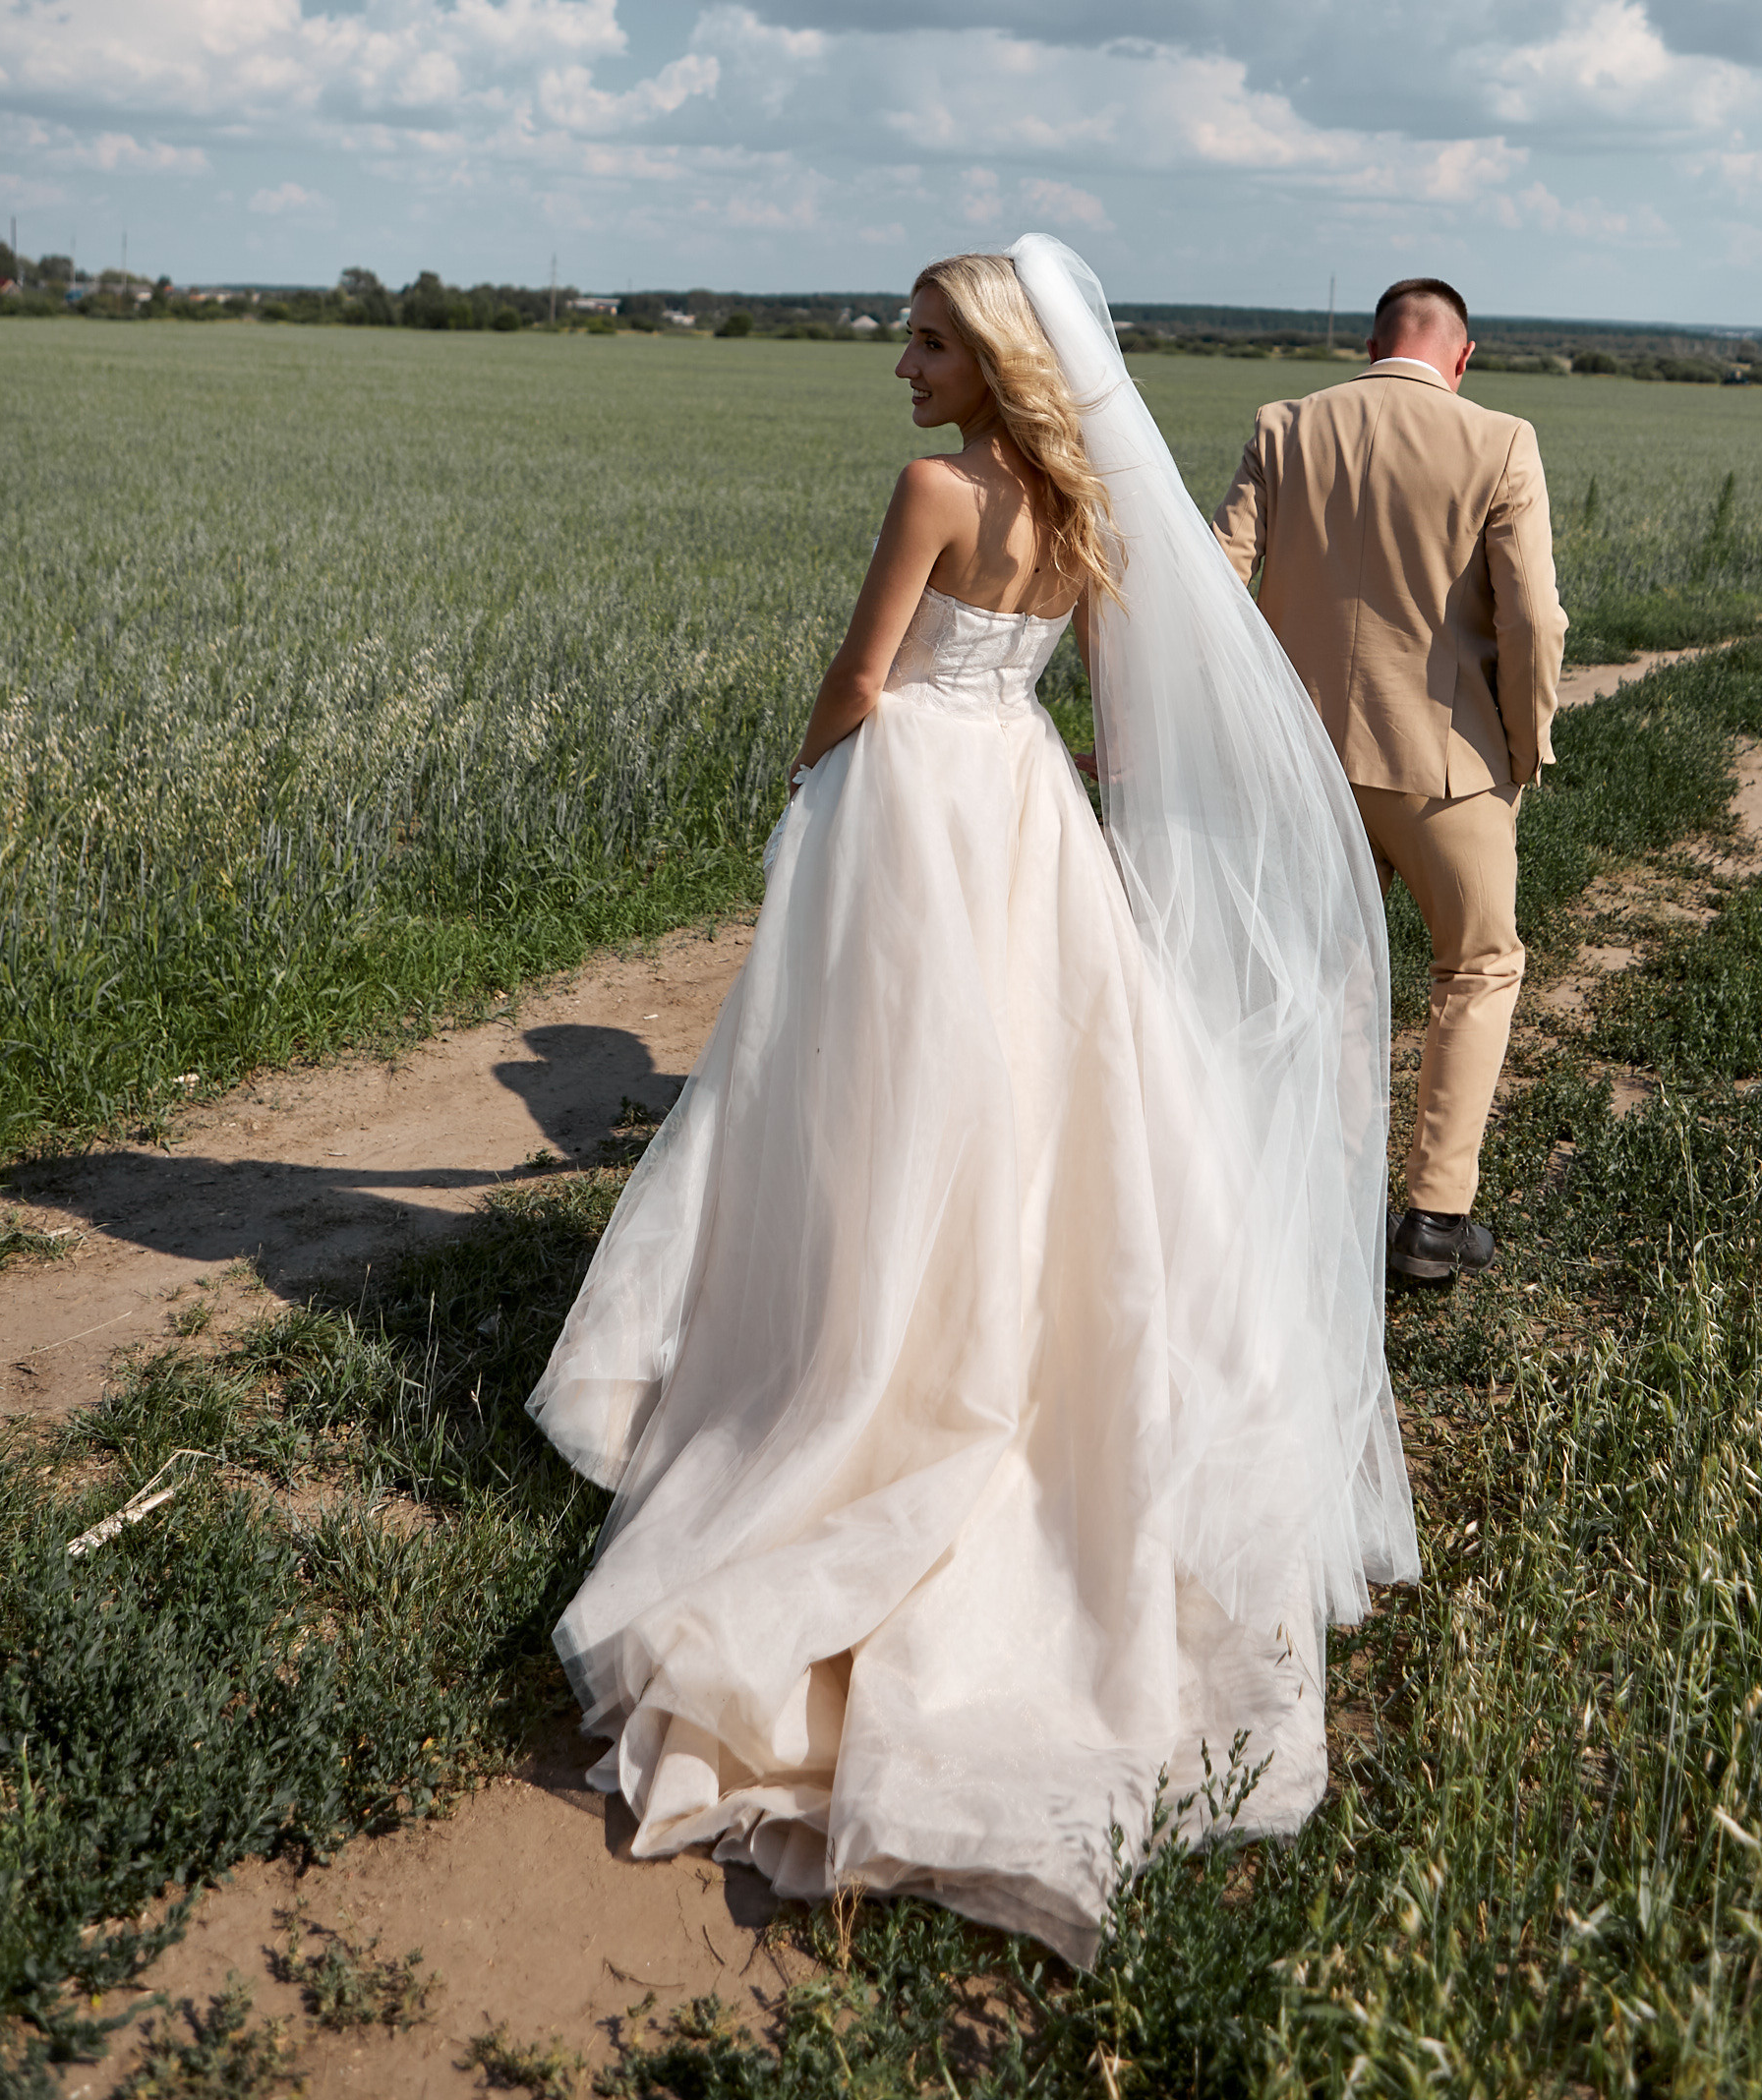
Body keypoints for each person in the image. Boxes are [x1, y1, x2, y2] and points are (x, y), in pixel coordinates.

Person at [528, 238, 1415, 1967]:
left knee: (874, 1091)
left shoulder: (933, 487)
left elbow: (863, 679)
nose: (901, 364)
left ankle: (869, 1361)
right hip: (1022, 803)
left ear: (994, 359)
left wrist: (803, 804)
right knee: (1036, 1103)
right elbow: (1092, 702)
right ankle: (1007, 1359)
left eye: (926, 340)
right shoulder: (1083, 513)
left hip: (918, 798)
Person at [1211, 276, 1566, 1292]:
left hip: (1301, 762)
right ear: (1463, 357)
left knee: (1326, 974)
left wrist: (1228, 724)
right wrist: (1525, 742)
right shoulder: (1498, 439)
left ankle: (1323, 1194)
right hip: (1448, 766)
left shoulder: (1285, 427)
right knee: (1479, 967)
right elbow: (1533, 619)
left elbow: (1215, 579)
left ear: (1371, 344)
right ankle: (1434, 1219)